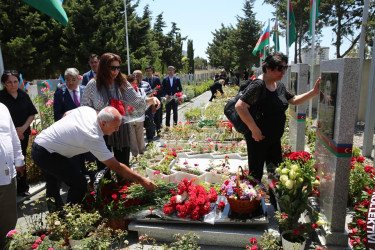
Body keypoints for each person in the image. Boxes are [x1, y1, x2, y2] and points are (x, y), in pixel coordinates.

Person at [31, 106, 157, 211]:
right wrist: (141, 180)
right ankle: (70, 217)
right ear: (103, 123)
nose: (117, 130)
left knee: (53, 184)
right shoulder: (93, 135)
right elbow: (115, 166)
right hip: (45, 152)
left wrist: (65, 136)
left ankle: (58, 217)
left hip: (45, 144)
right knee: (78, 183)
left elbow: (66, 114)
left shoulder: (88, 111)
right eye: (115, 127)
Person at [235, 52, 321, 181]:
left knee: (276, 173)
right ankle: (255, 200)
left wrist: (314, 92)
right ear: (268, 68)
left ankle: (274, 199)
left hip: (274, 139)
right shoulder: (258, 85)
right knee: (256, 174)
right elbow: (240, 106)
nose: (283, 72)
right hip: (258, 139)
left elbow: (294, 100)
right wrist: (254, 129)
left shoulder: (279, 85)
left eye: (285, 68)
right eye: (280, 68)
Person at [81, 53, 160, 167]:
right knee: (104, 169)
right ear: (104, 67)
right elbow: (84, 108)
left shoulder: (122, 83)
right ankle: (107, 185)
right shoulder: (93, 84)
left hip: (121, 130)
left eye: (118, 68)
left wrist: (151, 100)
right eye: (112, 68)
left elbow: (136, 101)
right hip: (101, 131)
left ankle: (122, 184)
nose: (116, 71)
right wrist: (102, 114)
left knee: (123, 166)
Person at [0, 70, 38, 197]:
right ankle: (9, 188)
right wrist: (14, 132)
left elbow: (31, 114)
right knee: (7, 161)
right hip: (5, 136)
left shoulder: (23, 95)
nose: (13, 84)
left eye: (15, 81)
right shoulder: (1, 97)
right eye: (9, 82)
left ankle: (22, 188)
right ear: (4, 83)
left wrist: (22, 129)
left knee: (20, 160)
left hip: (22, 134)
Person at [0, 103, 25, 249]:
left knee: (8, 220)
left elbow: (13, 137)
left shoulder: (2, 107)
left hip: (7, 176)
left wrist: (19, 160)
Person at [127, 74, 146, 157]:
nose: (134, 85)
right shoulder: (125, 92)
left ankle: (142, 152)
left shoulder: (141, 90)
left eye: (136, 83)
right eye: (132, 83)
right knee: (132, 138)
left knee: (140, 136)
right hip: (130, 118)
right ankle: (135, 154)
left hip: (139, 117)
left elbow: (144, 102)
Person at [133, 69, 154, 141]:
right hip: (136, 109)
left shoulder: (146, 84)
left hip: (146, 108)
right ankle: (139, 140)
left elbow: (150, 95)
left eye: (141, 76)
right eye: (138, 76)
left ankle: (150, 139)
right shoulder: (131, 85)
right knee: (138, 125)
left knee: (149, 123)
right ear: (134, 76)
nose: (140, 77)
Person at [143, 66, 163, 136]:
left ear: (152, 71)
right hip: (148, 102)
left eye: (150, 71)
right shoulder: (143, 80)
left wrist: (155, 91)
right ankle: (151, 132)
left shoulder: (157, 79)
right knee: (149, 117)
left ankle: (159, 131)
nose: (148, 72)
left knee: (157, 117)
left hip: (156, 100)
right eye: (147, 71)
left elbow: (161, 89)